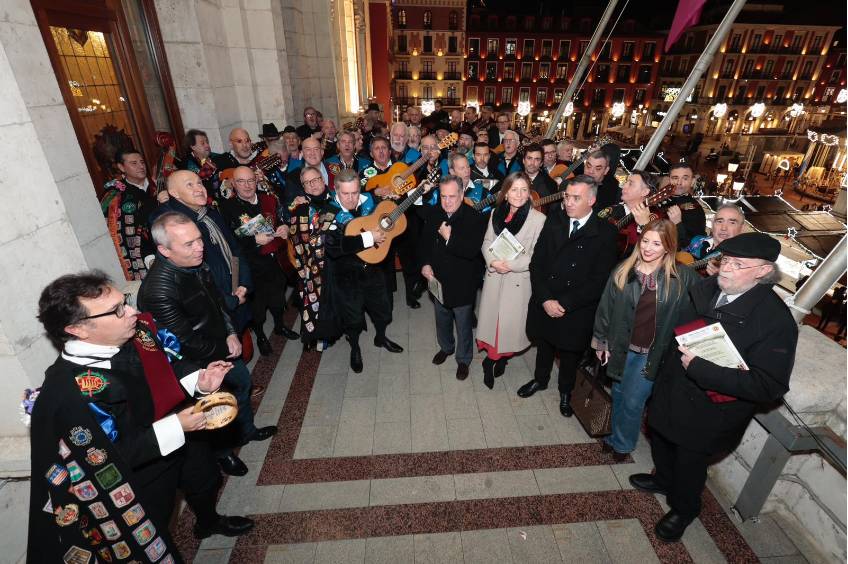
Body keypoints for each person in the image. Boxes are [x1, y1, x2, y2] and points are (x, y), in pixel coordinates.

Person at [30, 271, 254, 563]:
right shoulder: (70, 393)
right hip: (144, 473)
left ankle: (208, 521)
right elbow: (109, 457)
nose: (132, 312)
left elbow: (169, 369)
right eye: (117, 310)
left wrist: (199, 382)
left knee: (206, 480)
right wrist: (177, 426)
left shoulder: (136, 332)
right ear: (78, 329)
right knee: (155, 527)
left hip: (184, 431)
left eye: (124, 301)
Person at [632, 232, 797, 542]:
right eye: (725, 260)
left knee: (690, 464)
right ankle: (663, 479)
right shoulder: (706, 288)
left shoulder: (775, 321)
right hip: (672, 390)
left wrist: (701, 370)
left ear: (763, 271)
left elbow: (769, 386)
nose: (726, 269)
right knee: (662, 441)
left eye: (738, 264)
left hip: (709, 412)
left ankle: (684, 508)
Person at [138, 213, 277, 476]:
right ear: (164, 250)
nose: (200, 247)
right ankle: (223, 454)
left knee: (242, 386)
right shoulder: (159, 291)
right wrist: (225, 350)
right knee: (212, 410)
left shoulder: (196, 263)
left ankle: (247, 431)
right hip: (196, 365)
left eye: (199, 239)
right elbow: (186, 343)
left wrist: (230, 333)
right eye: (189, 244)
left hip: (221, 345)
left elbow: (218, 303)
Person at [592, 219, 697, 460]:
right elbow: (606, 308)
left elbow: (701, 306)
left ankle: (622, 444)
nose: (648, 248)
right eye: (646, 241)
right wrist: (601, 342)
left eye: (657, 244)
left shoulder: (682, 277)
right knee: (618, 394)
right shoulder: (624, 270)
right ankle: (614, 435)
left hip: (651, 354)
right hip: (621, 347)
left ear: (668, 247)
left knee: (633, 402)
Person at [518, 175, 619, 416]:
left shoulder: (606, 232)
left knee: (569, 354)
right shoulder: (554, 220)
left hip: (576, 307)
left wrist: (564, 303)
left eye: (576, 198)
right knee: (544, 344)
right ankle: (540, 379)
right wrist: (545, 299)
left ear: (591, 200)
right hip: (546, 299)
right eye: (566, 196)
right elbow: (537, 263)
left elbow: (599, 280)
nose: (569, 202)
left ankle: (566, 392)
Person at [322, 169, 405, 372]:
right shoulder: (328, 213)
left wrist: (392, 204)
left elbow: (388, 216)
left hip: (374, 269)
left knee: (384, 310)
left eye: (354, 192)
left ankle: (381, 337)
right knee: (353, 319)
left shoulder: (369, 201)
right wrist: (368, 238)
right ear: (336, 191)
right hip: (347, 276)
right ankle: (355, 348)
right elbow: (333, 247)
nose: (351, 199)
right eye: (345, 194)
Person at [151, 170, 253, 334]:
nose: (199, 188)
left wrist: (243, 283)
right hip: (214, 311)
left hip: (234, 290)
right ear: (174, 193)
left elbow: (235, 250)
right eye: (189, 185)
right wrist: (230, 301)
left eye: (199, 183)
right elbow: (192, 281)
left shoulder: (210, 213)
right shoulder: (172, 224)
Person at [218, 166, 300, 355]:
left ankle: (280, 326)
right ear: (233, 184)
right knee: (257, 307)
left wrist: (285, 227)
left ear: (256, 181)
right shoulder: (227, 207)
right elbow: (228, 241)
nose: (247, 185)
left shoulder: (269, 199)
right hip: (250, 265)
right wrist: (253, 240)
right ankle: (261, 336)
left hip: (276, 260)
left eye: (250, 180)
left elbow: (281, 219)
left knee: (278, 299)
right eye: (241, 181)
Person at [477, 172, 546, 388]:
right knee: (493, 324)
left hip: (517, 281)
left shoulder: (538, 219)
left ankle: (501, 359)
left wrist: (510, 265)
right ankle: (489, 362)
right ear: (505, 193)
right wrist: (492, 261)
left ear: (530, 193)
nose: (519, 194)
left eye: (524, 190)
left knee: (508, 327)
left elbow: (537, 256)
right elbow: (486, 241)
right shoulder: (495, 213)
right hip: (495, 276)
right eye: (514, 189)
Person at [420, 175, 487, 379]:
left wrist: (449, 238)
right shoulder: (434, 213)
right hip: (438, 279)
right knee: (441, 318)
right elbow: (424, 242)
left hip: (463, 282)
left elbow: (471, 251)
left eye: (452, 196)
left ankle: (463, 359)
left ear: (462, 193)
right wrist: (425, 264)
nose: (447, 201)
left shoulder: (474, 218)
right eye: (443, 196)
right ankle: (446, 347)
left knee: (463, 324)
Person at [287, 166, 333, 349]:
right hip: (311, 265)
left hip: (336, 262)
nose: (312, 185)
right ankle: (317, 335)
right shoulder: (299, 208)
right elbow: (296, 240)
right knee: (313, 300)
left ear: (322, 179)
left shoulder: (337, 200)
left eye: (315, 180)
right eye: (307, 183)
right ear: (303, 187)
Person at [100, 150, 158, 280]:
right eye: (134, 163)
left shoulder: (158, 184)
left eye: (142, 162)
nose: (141, 166)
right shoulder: (116, 194)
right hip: (139, 257)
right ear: (121, 167)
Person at [600, 170, 663, 258]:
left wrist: (644, 226)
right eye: (626, 182)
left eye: (630, 184)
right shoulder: (611, 211)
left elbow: (655, 250)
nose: (624, 186)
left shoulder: (657, 219)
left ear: (645, 192)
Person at [682, 203, 745, 276]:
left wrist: (721, 279)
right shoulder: (697, 240)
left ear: (742, 228)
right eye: (719, 221)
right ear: (712, 224)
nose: (723, 228)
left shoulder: (741, 259)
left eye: (732, 223)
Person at [665, 163, 706, 249]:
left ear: (692, 181)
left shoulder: (695, 209)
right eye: (675, 178)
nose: (679, 183)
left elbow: (694, 246)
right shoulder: (662, 201)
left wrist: (677, 224)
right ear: (669, 180)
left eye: (685, 178)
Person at [181, 128, 222, 196]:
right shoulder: (185, 166)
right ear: (193, 147)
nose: (207, 145)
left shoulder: (219, 157)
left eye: (207, 142)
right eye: (203, 143)